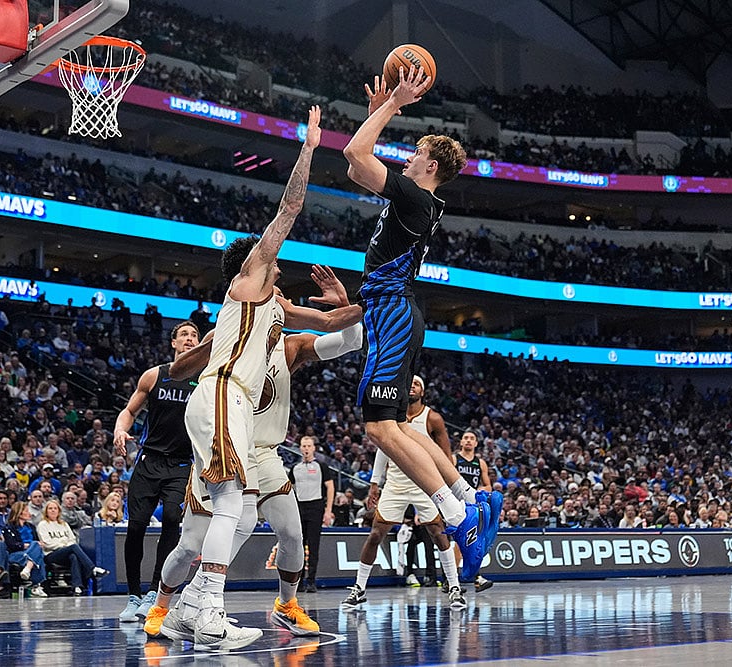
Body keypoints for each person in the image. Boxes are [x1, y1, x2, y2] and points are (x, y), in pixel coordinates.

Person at [172, 105, 359, 652]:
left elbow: (331, 321)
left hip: (229, 404)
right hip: (225, 393)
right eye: (271, 264)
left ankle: (192, 606)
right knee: (235, 504)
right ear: (250, 269)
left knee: (236, 506)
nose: (279, 268)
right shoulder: (249, 286)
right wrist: (308, 150)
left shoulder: (274, 308)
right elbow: (290, 208)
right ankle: (202, 606)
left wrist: (372, 296)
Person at [145, 268, 362, 641]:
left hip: (264, 452)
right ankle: (164, 607)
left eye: (279, 294)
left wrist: (343, 304)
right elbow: (178, 371)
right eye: (268, 292)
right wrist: (205, 349)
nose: (274, 297)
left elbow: (349, 343)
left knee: (292, 535)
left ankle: (286, 606)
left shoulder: (291, 346)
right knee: (189, 546)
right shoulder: (228, 335)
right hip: (225, 441)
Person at [343, 65, 497, 579]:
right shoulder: (419, 199)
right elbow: (356, 169)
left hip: (393, 312)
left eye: (415, 154)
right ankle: (467, 498)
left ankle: (459, 518)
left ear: (430, 165)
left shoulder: (414, 196)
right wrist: (377, 116)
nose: (408, 159)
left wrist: (392, 106)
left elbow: (353, 156)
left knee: (379, 425)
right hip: (395, 311)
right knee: (390, 424)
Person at [342, 376, 465, 610]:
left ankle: (455, 587)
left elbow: (446, 456)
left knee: (438, 533)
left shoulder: (433, 418)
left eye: (417, 384)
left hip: (424, 484)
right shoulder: (392, 414)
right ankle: (358, 589)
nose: (412, 386)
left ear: (424, 391)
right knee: (376, 534)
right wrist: (375, 483)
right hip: (396, 483)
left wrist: (449, 485)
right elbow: (382, 449)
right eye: (409, 383)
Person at [112, 320, 200, 624]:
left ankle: (154, 592)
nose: (190, 339)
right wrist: (120, 431)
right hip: (149, 462)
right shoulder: (155, 375)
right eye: (184, 335)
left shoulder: (204, 380)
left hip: (182, 464)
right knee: (135, 528)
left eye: (194, 336)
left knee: (172, 522)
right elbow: (129, 411)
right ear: (174, 343)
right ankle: (133, 596)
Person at [288, 436, 335, 593]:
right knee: (298, 546)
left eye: (309, 446)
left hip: (316, 506)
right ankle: (298, 581)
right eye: (303, 446)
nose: (306, 449)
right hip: (300, 507)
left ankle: (311, 580)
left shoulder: (321, 466)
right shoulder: (295, 468)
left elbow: (330, 487)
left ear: (314, 448)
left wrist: (328, 510)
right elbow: (290, 488)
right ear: (300, 448)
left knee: (314, 545)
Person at [452, 429, 495, 593]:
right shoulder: (454, 459)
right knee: (461, 540)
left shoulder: (480, 463)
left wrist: (477, 491)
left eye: (472, 438)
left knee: (472, 540)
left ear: (476, 443)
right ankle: (454, 578)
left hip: (473, 504)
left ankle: (474, 578)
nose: (468, 440)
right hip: (456, 503)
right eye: (465, 438)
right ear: (461, 442)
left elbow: (488, 485)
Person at [36, 499, 108, 596]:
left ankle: (77, 587)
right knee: (73, 548)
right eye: (50, 508)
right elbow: (47, 543)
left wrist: (65, 544)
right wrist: (64, 544)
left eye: (55, 508)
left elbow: (72, 539)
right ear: (46, 511)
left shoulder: (64, 524)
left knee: (73, 556)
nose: (53, 510)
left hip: (66, 552)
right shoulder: (43, 524)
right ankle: (92, 569)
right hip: (51, 554)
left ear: (58, 511)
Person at [2, 501, 47, 597]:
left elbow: (37, 542)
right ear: (19, 513)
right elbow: (12, 545)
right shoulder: (8, 528)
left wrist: (36, 545)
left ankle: (28, 568)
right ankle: (36, 586)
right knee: (37, 552)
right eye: (26, 511)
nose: (29, 513)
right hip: (16, 554)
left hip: (31, 552)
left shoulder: (31, 527)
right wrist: (28, 545)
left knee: (37, 550)